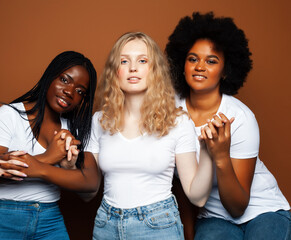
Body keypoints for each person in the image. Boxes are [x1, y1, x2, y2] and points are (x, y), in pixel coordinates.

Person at [165, 12, 291, 240]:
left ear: (226, 71)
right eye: (193, 59)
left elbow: (237, 207)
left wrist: (221, 156)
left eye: (211, 61)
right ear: (182, 65)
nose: (200, 66)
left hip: (263, 210)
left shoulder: (240, 117)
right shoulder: (168, 112)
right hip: (213, 218)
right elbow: (175, 182)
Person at [86, 32, 214, 240]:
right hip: (106, 225)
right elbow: (88, 193)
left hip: (157, 226)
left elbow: (197, 197)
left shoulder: (178, 122)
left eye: (142, 61)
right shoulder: (99, 121)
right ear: (114, 71)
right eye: (124, 61)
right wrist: (70, 163)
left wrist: (208, 151)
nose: (133, 68)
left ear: (155, 70)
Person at [0, 51, 100, 240]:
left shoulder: (73, 129)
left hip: (49, 219)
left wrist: (42, 168)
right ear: (50, 76)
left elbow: (91, 182)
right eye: (64, 79)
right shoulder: (10, 115)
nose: (70, 92)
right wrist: (49, 158)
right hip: (5, 215)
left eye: (80, 91)